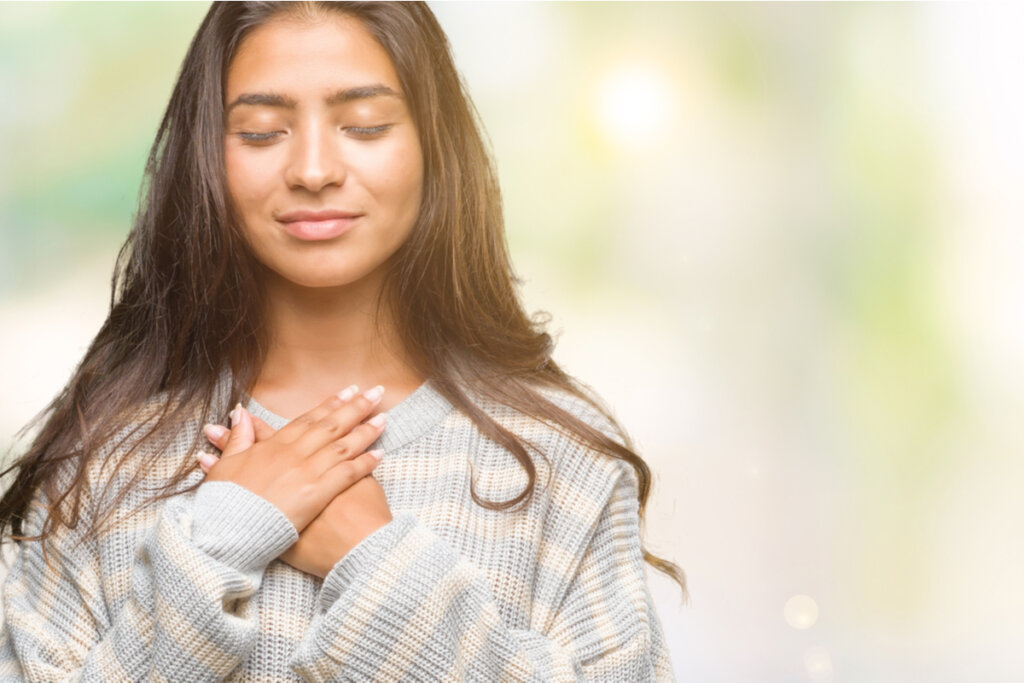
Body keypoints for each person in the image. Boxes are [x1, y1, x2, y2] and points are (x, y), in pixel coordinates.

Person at [0, 2, 685, 680]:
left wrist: (375, 561)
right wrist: (219, 539)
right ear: (207, 155)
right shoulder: (104, 463)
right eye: (264, 132)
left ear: (432, 144)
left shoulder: (561, 463)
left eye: (364, 124)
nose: (315, 168)